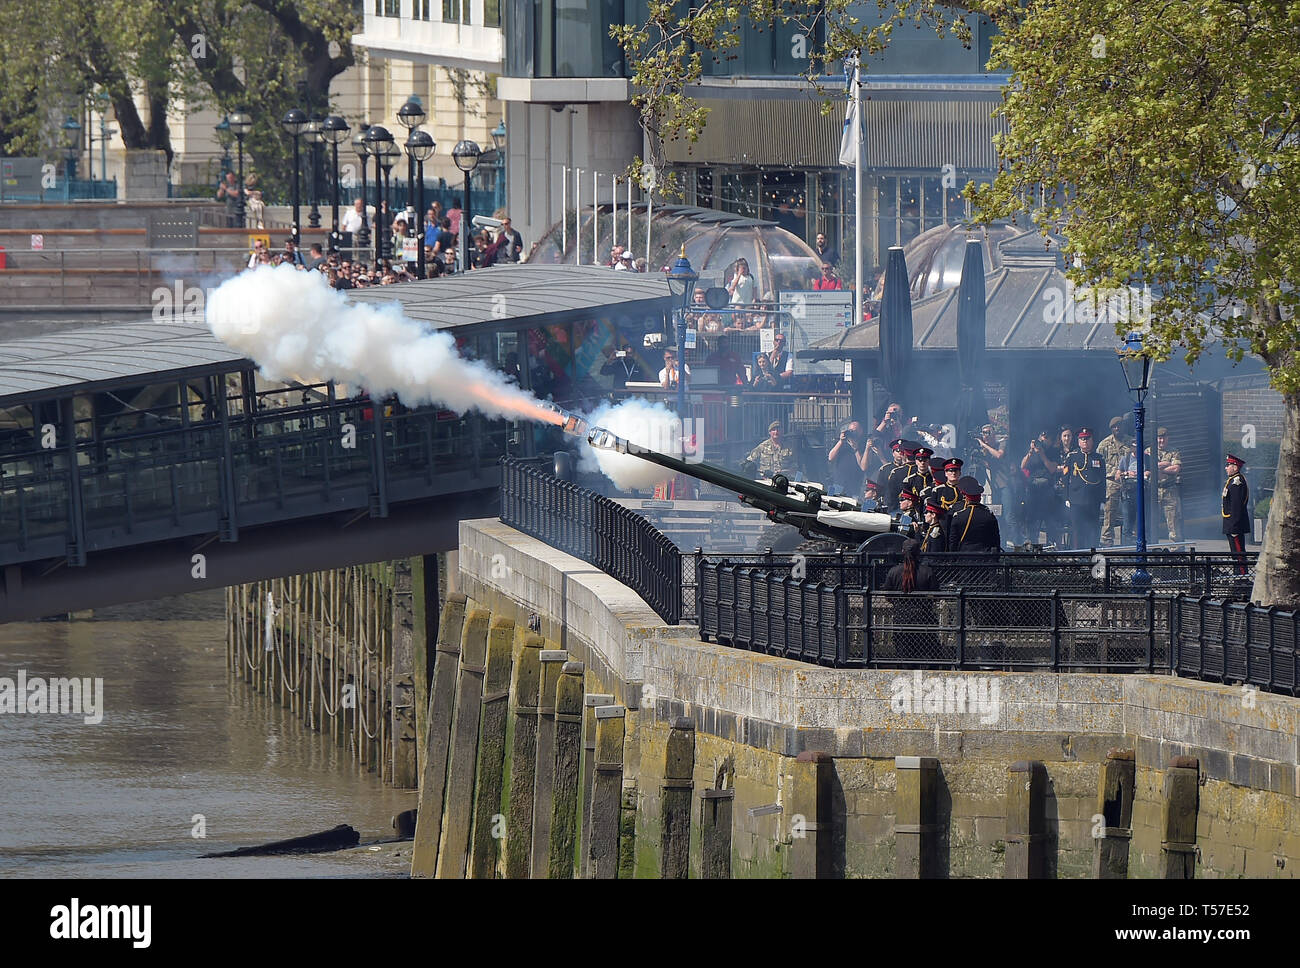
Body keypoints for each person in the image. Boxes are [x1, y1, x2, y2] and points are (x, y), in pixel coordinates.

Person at [1065, 428, 1106, 549]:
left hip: (1093, 500)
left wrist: (1102, 499)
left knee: (1093, 529)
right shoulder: (1072, 457)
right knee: (1077, 530)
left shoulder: (1099, 458)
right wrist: (1066, 497)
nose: (1085, 442)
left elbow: (1102, 480)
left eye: (1087, 439)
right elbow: (1065, 479)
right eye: (1082, 439)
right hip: (1076, 500)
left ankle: (1092, 552)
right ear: (1078, 441)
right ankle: (1078, 553)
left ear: (1092, 441)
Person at [1096, 415, 1129, 547]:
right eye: (1114, 427)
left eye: (1119, 426)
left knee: (1130, 514)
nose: (1117, 428)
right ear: (1111, 429)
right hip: (1111, 482)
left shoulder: (1131, 442)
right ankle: (1107, 541)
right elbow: (1098, 463)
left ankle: (1129, 540)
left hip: (1128, 482)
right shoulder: (1104, 444)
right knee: (1109, 514)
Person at [947, 477, 1001, 554]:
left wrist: (953, 559)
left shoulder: (958, 516)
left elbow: (953, 541)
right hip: (984, 558)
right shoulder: (988, 515)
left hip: (963, 558)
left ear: (966, 497)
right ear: (979, 498)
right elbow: (995, 540)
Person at [1148, 426, 1183, 544]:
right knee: (1152, 522)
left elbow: (1176, 469)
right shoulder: (1148, 451)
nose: (1161, 441)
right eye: (1159, 438)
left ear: (1168, 438)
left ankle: (1176, 552)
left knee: (1173, 523)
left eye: (1163, 438)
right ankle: (1153, 549)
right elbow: (1146, 469)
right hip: (1153, 491)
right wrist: (1166, 464)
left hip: (1169, 491)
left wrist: (1158, 468)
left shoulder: (1174, 451)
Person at [1222, 454, 1250, 574]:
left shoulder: (1237, 482)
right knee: (1235, 552)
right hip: (1231, 523)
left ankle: (1242, 575)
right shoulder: (1232, 480)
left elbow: (1236, 506)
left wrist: (1234, 526)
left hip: (1235, 524)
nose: (1226, 468)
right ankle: (1237, 574)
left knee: (1238, 553)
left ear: (1235, 467)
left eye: (1228, 465)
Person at [828, 420, 868, 495]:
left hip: (855, 484)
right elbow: (830, 458)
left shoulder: (864, 444)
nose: (852, 433)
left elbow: (863, 465)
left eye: (855, 431)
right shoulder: (841, 443)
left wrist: (855, 448)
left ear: (861, 431)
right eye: (850, 431)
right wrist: (840, 441)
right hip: (839, 483)